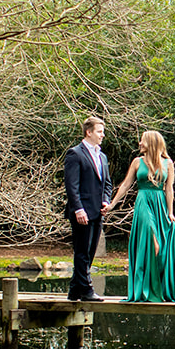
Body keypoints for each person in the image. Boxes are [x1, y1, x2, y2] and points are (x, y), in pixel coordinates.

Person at [107, 130, 175, 303]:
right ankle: (144, 289)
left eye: (142, 141)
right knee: (153, 242)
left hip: (160, 203)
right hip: (143, 202)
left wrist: (170, 212)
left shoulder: (168, 163)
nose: (139, 143)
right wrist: (112, 204)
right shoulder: (138, 162)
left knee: (165, 244)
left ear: (151, 143)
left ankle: (157, 288)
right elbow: (126, 185)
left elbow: (169, 189)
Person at [64, 115, 112, 302]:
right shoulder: (75, 154)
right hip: (82, 212)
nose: (102, 135)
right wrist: (78, 209)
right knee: (82, 251)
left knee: (90, 252)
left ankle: (75, 290)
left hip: (97, 211)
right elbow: (71, 185)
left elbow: (107, 183)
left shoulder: (102, 156)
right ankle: (86, 290)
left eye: (103, 132)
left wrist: (106, 201)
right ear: (88, 132)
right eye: (100, 132)